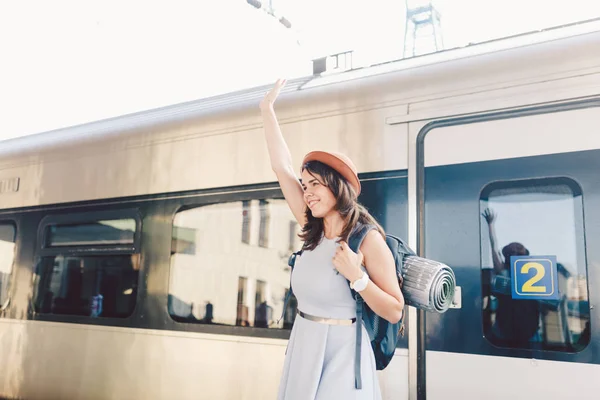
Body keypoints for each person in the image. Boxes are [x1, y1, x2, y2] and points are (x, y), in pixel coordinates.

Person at [260, 79, 405, 400]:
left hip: (343, 357)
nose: (307, 192)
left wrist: (358, 278)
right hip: (304, 346)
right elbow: (281, 167)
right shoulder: (312, 229)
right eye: (305, 184)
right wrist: (267, 112)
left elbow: (395, 311)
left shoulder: (366, 240)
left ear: (337, 188)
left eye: (315, 184)